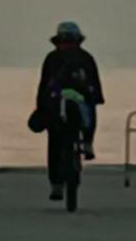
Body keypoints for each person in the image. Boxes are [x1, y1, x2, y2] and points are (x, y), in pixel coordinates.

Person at [35, 21, 104, 201]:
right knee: (88, 112)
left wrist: (41, 107)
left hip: (59, 104)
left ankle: (57, 184)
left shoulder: (53, 58)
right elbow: (94, 87)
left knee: (55, 143)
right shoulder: (84, 57)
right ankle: (87, 142)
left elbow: (43, 87)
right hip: (66, 104)